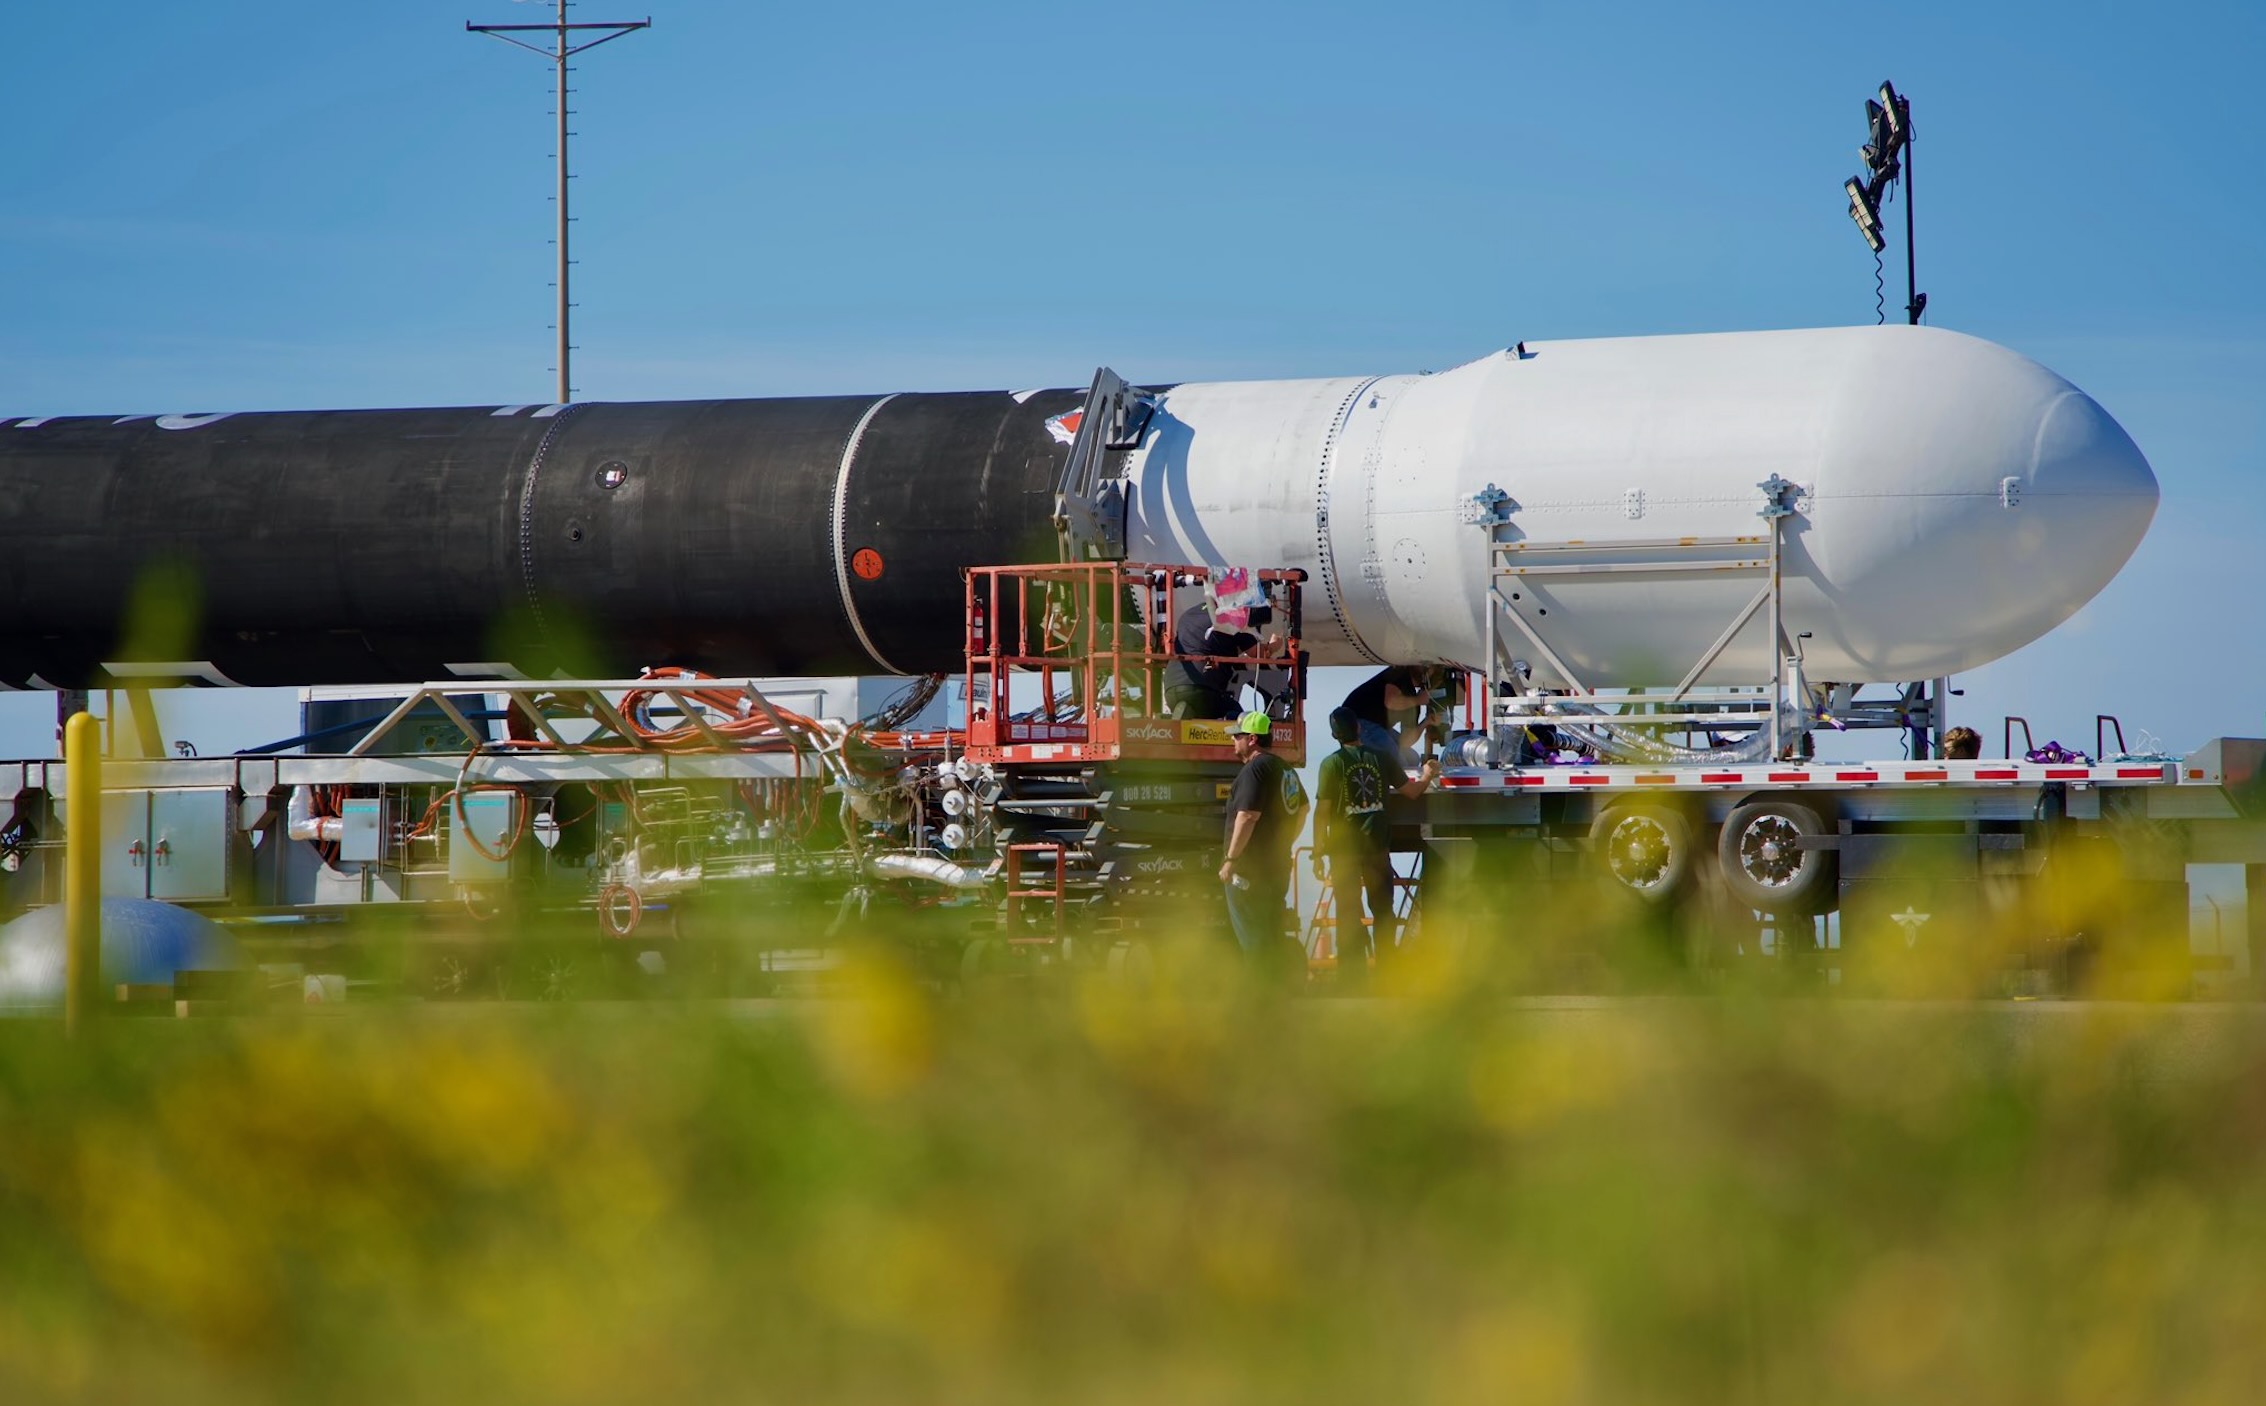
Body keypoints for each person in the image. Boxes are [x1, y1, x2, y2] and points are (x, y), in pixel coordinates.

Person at [1312, 706, 1437, 985]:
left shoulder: (1330, 765)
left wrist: (1318, 851)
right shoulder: (1381, 758)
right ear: (1358, 729)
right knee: (1383, 910)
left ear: (1334, 735)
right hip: (1376, 848)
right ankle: (1387, 971)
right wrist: (1428, 773)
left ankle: (1351, 976)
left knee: (1347, 912)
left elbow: (1322, 812)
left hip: (1342, 851)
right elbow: (1412, 792)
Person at [1218, 710, 1306, 960]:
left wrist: (1231, 859)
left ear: (1253, 739)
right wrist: (1284, 842)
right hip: (1277, 867)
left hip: (1249, 871)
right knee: (1270, 933)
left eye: (1238, 736)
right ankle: (1276, 991)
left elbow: (1247, 816)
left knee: (1252, 936)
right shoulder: (1286, 770)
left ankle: (1259, 994)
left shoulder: (1254, 770)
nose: (1234, 741)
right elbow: (1303, 809)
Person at [1165, 601, 1266, 720]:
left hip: (1171, 689)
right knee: (1237, 717)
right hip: (1203, 690)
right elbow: (1257, 653)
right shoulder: (1233, 615)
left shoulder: (1188, 614)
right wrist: (1275, 645)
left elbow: (1207, 645)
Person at [1342, 664, 1431, 761]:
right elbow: (1390, 702)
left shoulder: (1413, 701)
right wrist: (1418, 700)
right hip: (1357, 720)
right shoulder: (1398, 672)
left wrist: (1426, 722)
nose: (1428, 669)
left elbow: (1405, 741)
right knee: (1396, 762)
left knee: (1413, 759)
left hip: (1378, 726)